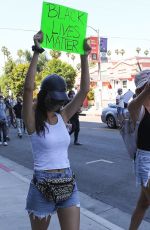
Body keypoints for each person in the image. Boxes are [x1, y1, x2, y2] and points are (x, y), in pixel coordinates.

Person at [23, 31, 91, 230]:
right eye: (54, 98)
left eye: (61, 99)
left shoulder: (63, 116)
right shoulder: (32, 122)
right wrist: (37, 51)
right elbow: (28, 89)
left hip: (68, 182)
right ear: (44, 96)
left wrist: (84, 56)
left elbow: (85, 89)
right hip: (42, 185)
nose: (58, 102)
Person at [128, 69, 150, 230]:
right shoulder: (138, 108)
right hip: (145, 161)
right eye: (145, 87)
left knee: (143, 203)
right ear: (139, 90)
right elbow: (132, 106)